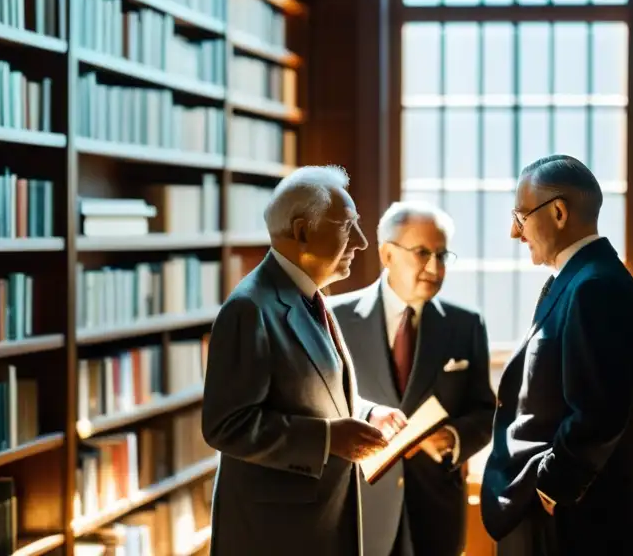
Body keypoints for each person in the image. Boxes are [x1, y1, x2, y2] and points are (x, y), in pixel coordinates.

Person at [202, 165, 408, 556]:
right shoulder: (249, 309)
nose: (362, 242)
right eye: (348, 227)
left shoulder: (310, 295)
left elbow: (304, 391)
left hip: (315, 524)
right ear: (301, 231)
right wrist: (330, 439)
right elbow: (226, 426)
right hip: (275, 537)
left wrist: (365, 415)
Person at [480, 154, 633, 555]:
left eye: (521, 216)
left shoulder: (596, 287)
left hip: (574, 523)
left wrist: (550, 487)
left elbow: (599, 412)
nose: (513, 232)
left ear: (558, 211)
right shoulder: (577, 279)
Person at [331, 201, 496, 556]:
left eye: (442, 255)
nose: (434, 267)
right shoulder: (335, 318)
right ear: (387, 254)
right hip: (358, 508)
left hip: (435, 512)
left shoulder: (465, 325)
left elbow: (485, 411)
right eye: (422, 253)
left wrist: (452, 438)